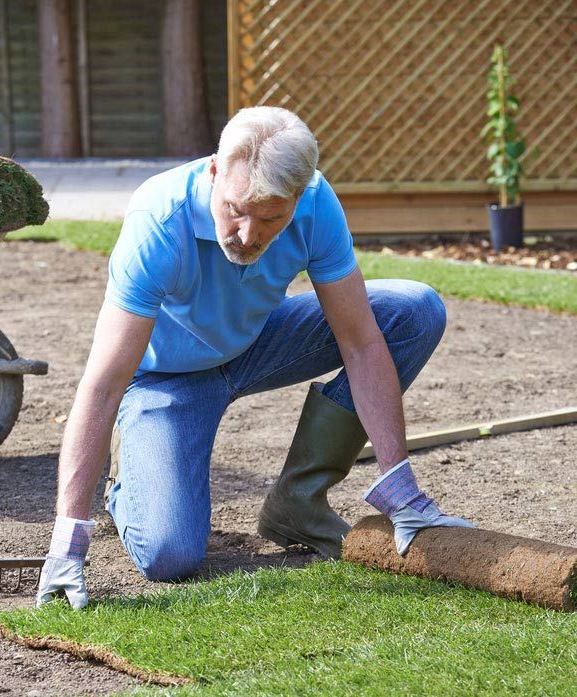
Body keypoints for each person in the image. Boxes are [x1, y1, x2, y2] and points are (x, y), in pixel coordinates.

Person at [37, 107, 472, 610]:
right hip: (166, 378)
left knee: (412, 311)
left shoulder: (313, 201)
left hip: (258, 343)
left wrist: (403, 493)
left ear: (299, 195)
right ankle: (127, 482)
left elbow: (361, 342)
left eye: (271, 218)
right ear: (215, 172)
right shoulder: (158, 220)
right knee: (171, 556)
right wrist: (69, 542)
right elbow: (104, 383)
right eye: (236, 210)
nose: (247, 235)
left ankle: (297, 502)